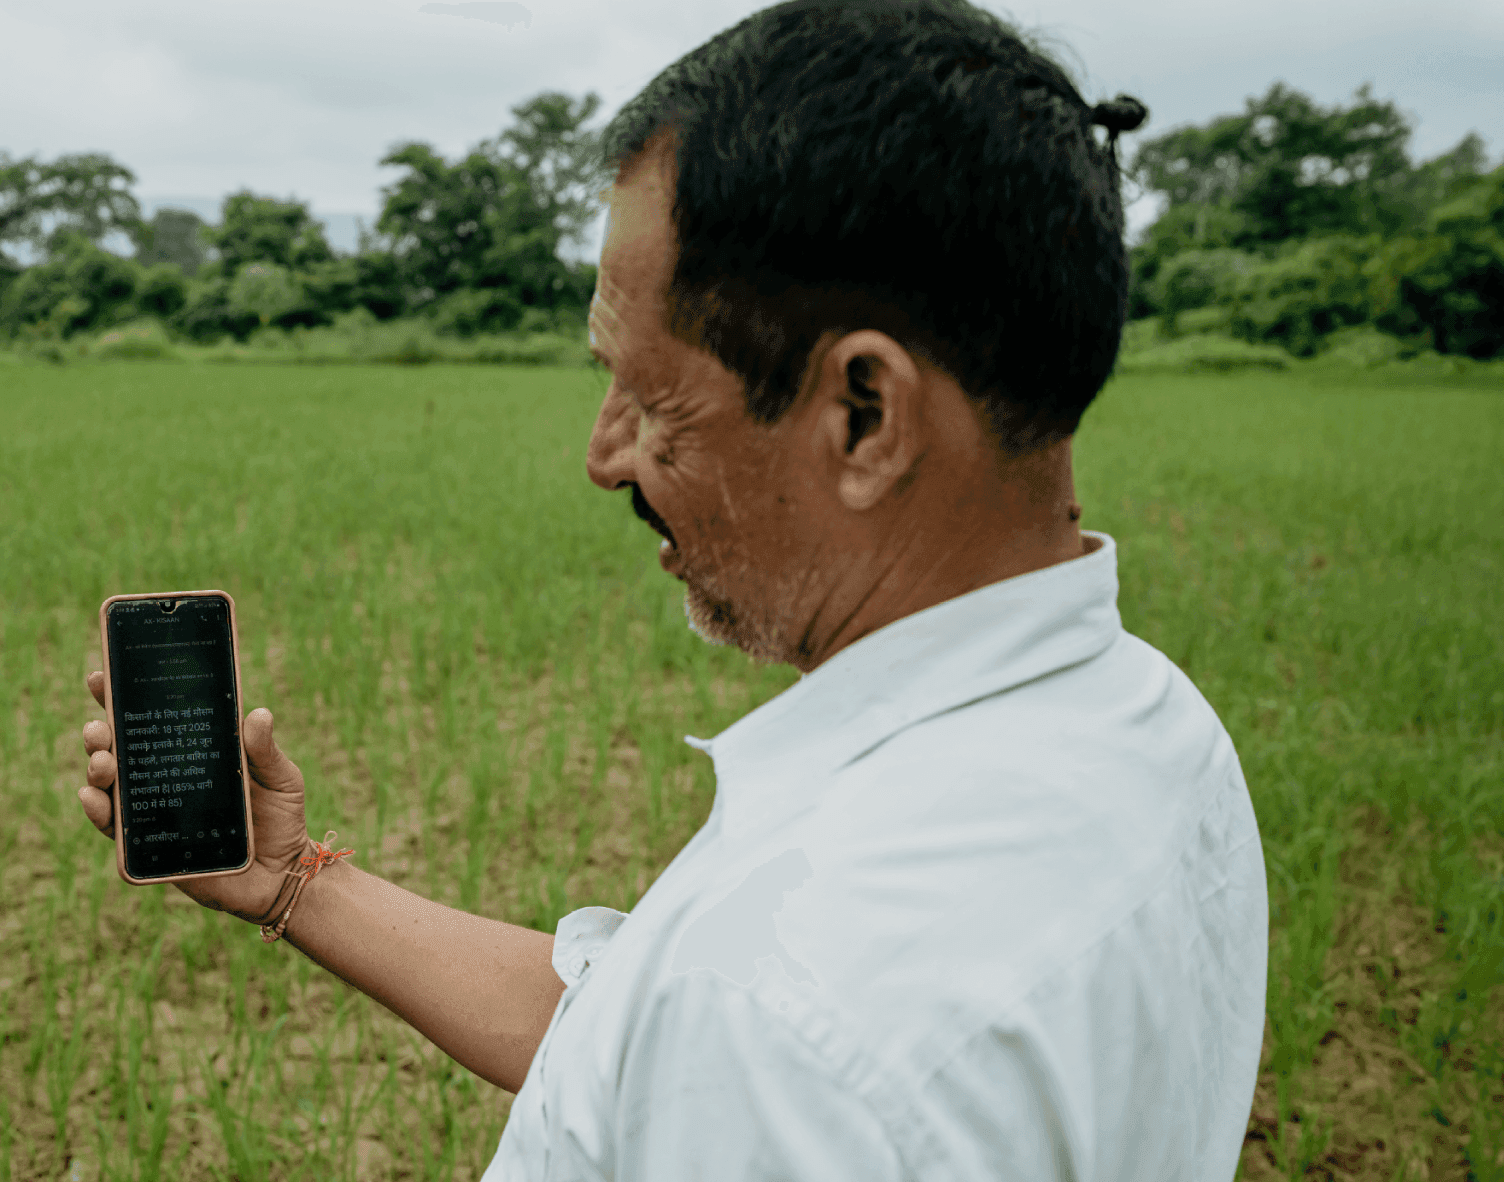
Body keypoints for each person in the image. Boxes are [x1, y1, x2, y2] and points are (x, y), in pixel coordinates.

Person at [80, 0, 1269, 1175]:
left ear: (863, 415)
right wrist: (291, 884)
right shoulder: (1155, 729)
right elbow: (631, 1044)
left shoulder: (784, 1010)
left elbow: (742, 1039)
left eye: (648, 399)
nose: (602, 458)